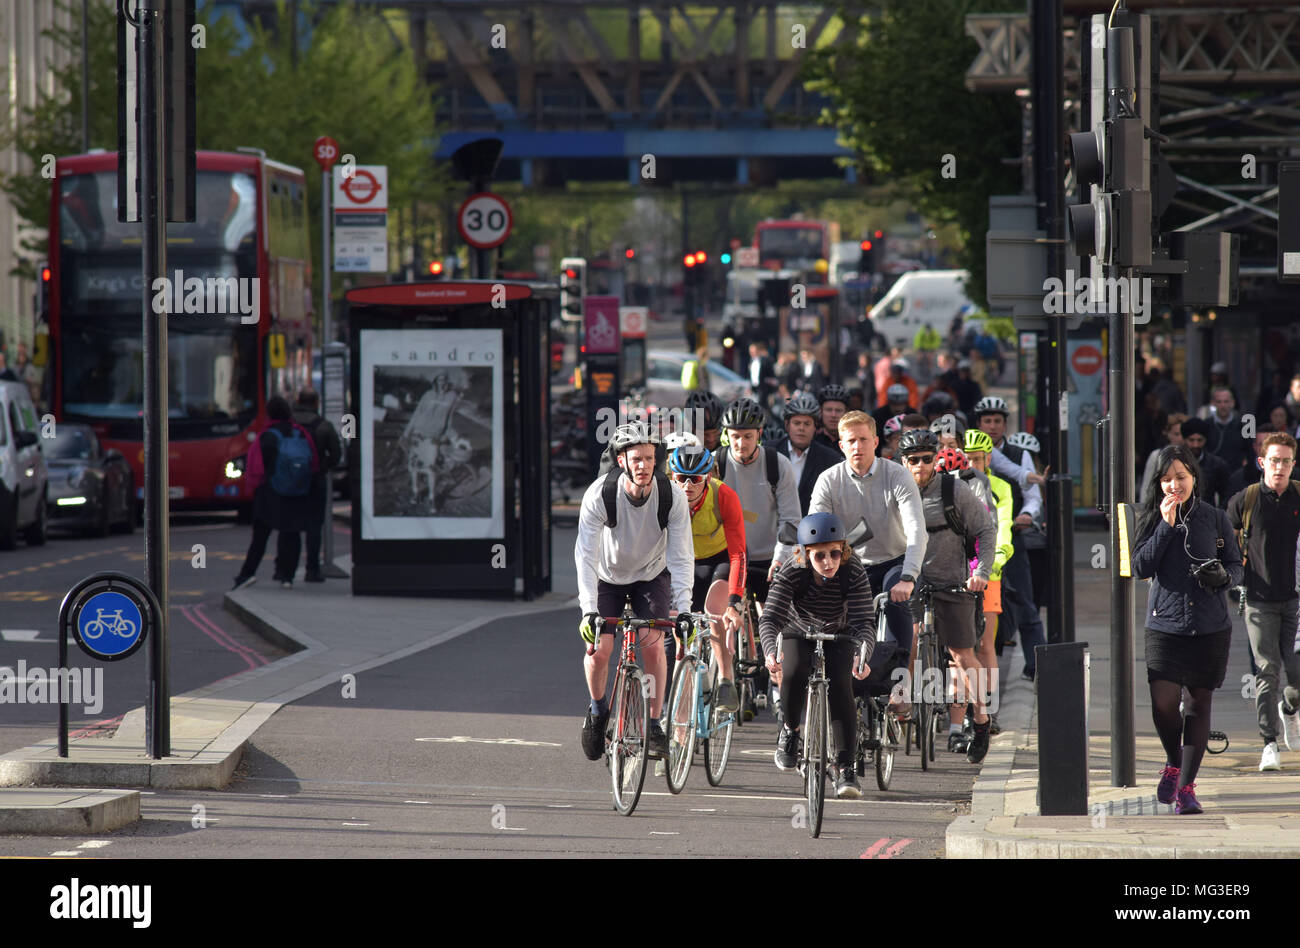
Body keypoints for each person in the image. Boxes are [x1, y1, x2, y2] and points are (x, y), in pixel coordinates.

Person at [1133, 444, 1243, 814]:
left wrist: (1225, 577)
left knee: (1198, 702)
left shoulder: (1215, 517)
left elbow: (1236, 564)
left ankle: (1186, 789)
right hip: (1164, 624)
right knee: (1163, 703)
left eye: (1180, 477)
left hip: (1210, 625)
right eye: (1166, 479)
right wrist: (1165, 526)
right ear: (1158, 483)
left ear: (1194, 477)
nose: (1174, 485)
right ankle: (1173, 761)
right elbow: (1140, 567)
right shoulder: (1151, 516)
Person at [575, 423, 694, 763]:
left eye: (650, 459)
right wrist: (588, 610)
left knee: (654, 647)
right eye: (636, 459)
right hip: (607, 577)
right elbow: (585, 555)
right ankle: (598, 711)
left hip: (651, 575)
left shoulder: (671, 496)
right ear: (621, 461)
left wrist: (684, 608)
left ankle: (653, 725)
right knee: (600, 651)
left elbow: (682, 556)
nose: (644, 465)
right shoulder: (600, 494)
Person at [778, 411, 927, 668]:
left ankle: (900, 678)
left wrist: (908, 577)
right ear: (841, 445)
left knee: (897, 605)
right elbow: (814, 532)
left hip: (895, 561)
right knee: (837, 625)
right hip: (849, 563)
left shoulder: (897, 475)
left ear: (875, 442)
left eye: (863, 439)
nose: (857, 446)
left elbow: (916, 529)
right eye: (851, 441)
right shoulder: (828, 479)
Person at [896, 428, 997, 763]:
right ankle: (901, 703)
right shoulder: (894, 490)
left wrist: (981, 573)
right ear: (903, 462)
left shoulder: (955, 490)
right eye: (913, 460)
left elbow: (986, 529)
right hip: (911, 583)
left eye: (927, 459)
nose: (920, 466)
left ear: (936, 459)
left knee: (962, 654)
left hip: (953, 582)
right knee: (907, 641)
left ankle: (980, 719)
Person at [761, 512, 873, 799]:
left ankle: (846, 768)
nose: (828, 562)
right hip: (798, 629)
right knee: (793, 669)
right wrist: (771, 652)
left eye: (834, 553)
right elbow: (770, 619)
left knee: (841, 685)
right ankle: (790, 731)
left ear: (843, 551)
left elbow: (864, 622)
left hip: (840, 632)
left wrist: (863, 655)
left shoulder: (853, 569)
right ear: (805, 554)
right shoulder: (792, 569)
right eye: (819, 556)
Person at [715, 397, 803, 716]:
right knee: (720, 611)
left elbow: (791, 519)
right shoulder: (717, 462)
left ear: (760, 434)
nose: (741, 443)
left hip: (769, 555)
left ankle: (777, 686)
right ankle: (725, 680)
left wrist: (780, 558)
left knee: (774, 620)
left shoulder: (777, 465)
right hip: (729, 555)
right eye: (735, 436)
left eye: (748, 436)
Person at [1225, 432, 1300, 771]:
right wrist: (1230, 576)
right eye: (1274, 460)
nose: (1279, 467)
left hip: (1296, 600)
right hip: (1259, 600)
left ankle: (1290, 710)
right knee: (1267, 670)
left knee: (1296, 675)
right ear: (1262, 462)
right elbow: (1223, 540)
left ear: (1293, 464)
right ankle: (1269, 743)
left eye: (1285, 461)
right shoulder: (1247, 499)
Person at [669, 443, 746, 713]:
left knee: (715, 611)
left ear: (708, 478)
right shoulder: (665, 497)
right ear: (672, 477)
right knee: (681, 629)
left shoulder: (724, 495)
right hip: (684, 562)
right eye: (681, 478)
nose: (687, 486)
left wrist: (734, 602)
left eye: (695, 479)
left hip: (720, 559)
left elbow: (738, 554)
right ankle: (678, 716)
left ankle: (726, 679)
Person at [972, 397, 1046, 677]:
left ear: (1005, 425)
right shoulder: (969, 451)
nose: (992, 426)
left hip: (1012, 538)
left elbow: (1032, 497)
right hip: (974, 548)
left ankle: (1036, 666)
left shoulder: (1018, 454)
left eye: (997, 421)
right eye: (987, 421)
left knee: (1025, 603)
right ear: (979, 424)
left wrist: (1026, 514)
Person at [233, 396, 319, 590]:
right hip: (297, 492)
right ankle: (287, 577)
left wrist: (253, 489)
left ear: (269, 413)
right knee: (292, 534)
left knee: (260, 536)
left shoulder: (267, 436)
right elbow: (313, 462)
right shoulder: (300, 433)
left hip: (270, 492)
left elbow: (256, 468)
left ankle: (247, 574)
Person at [962, 429, 1014, 733]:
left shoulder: (1000, 488)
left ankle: (988, 709)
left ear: (988, 459)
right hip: (956, 572)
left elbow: (1004, 526)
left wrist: (998, 556)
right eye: (967, 458)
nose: (971, 464)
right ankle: (963, 708)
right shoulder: (954, 484)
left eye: (977, 459)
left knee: (984, 643)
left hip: (988, 574)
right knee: (958, 646)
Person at [279, 389, 342, 583]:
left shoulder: (286, 424)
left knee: (289, 526)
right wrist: (322, 466)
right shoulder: (323, 426)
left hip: (290, 482)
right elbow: (336, 455)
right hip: (315, 480)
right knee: (314, 526)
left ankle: (284, 571)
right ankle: (312, 569)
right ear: (316, 403)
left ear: (298, 401)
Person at [774, 393, 841, 515]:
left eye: (807, 424)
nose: (801, 428)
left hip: (812, 523)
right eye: (796, 423)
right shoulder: (770, 451)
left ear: (815, 427)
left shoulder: (830, 459)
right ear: (787, 425)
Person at [1178, 417, 1230, 507]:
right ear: (1184, 440)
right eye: (1191, 440)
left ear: (1205, 440)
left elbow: (1225, 496)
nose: (1195, 445)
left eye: (1199, 440)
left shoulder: (1217, 465)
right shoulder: (1175, 464)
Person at [1141, 413, 1187, 504]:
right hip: (1161, 504)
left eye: (1183, 434)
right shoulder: (1157, 456)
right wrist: (1144, 507)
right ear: (1167, 434)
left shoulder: (1190, 456)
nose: (1180, 438)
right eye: (1176, 434)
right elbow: (1147, 486)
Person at [1205, 386, 1249, 473]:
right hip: (1213, 473)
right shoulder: (1206, 425)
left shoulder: (1244, 424)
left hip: (1237, 472)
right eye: (1219, 402)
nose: (1223, 405)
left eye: (1226, 401)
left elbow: (1250, 450)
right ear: (1213, 404)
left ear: (1232, 403)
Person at [814, 383, 850, 456]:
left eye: (838, 410)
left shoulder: (853, 442)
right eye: (829, 410)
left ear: (846, 412)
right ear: (821, 411)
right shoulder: (812, 441)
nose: (833, 415)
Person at [747, 342, 778, 408]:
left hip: (764, 388)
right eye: (750, 352)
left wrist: (771, 391)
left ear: (758, 351)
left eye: (753, 351)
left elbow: (771, 376)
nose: (752, 353)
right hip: (754, 387)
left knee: (762, 407)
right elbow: (751, 376)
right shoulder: (751, 361)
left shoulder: (765, 361)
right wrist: (750, 387)